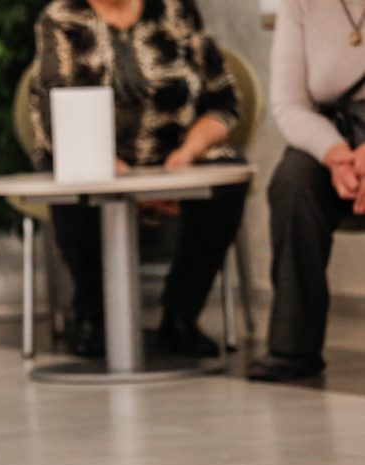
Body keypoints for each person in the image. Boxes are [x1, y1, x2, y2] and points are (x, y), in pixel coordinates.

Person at [31, 0, 248, 358]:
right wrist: (128, 183)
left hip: (173, 157)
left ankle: (181, 315)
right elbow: (53, 113)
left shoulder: (176, 9)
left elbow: (224, 100)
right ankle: (94, 316)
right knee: (72, 181)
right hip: (92, 154)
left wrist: (187, 155)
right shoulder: (62, 17)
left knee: (228, 180)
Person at [248, 0, 365, 382]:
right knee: (293, 182)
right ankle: (293, 346)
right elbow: (290, 104)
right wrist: (336, 156)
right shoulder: (301, 5)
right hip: (337, 136)